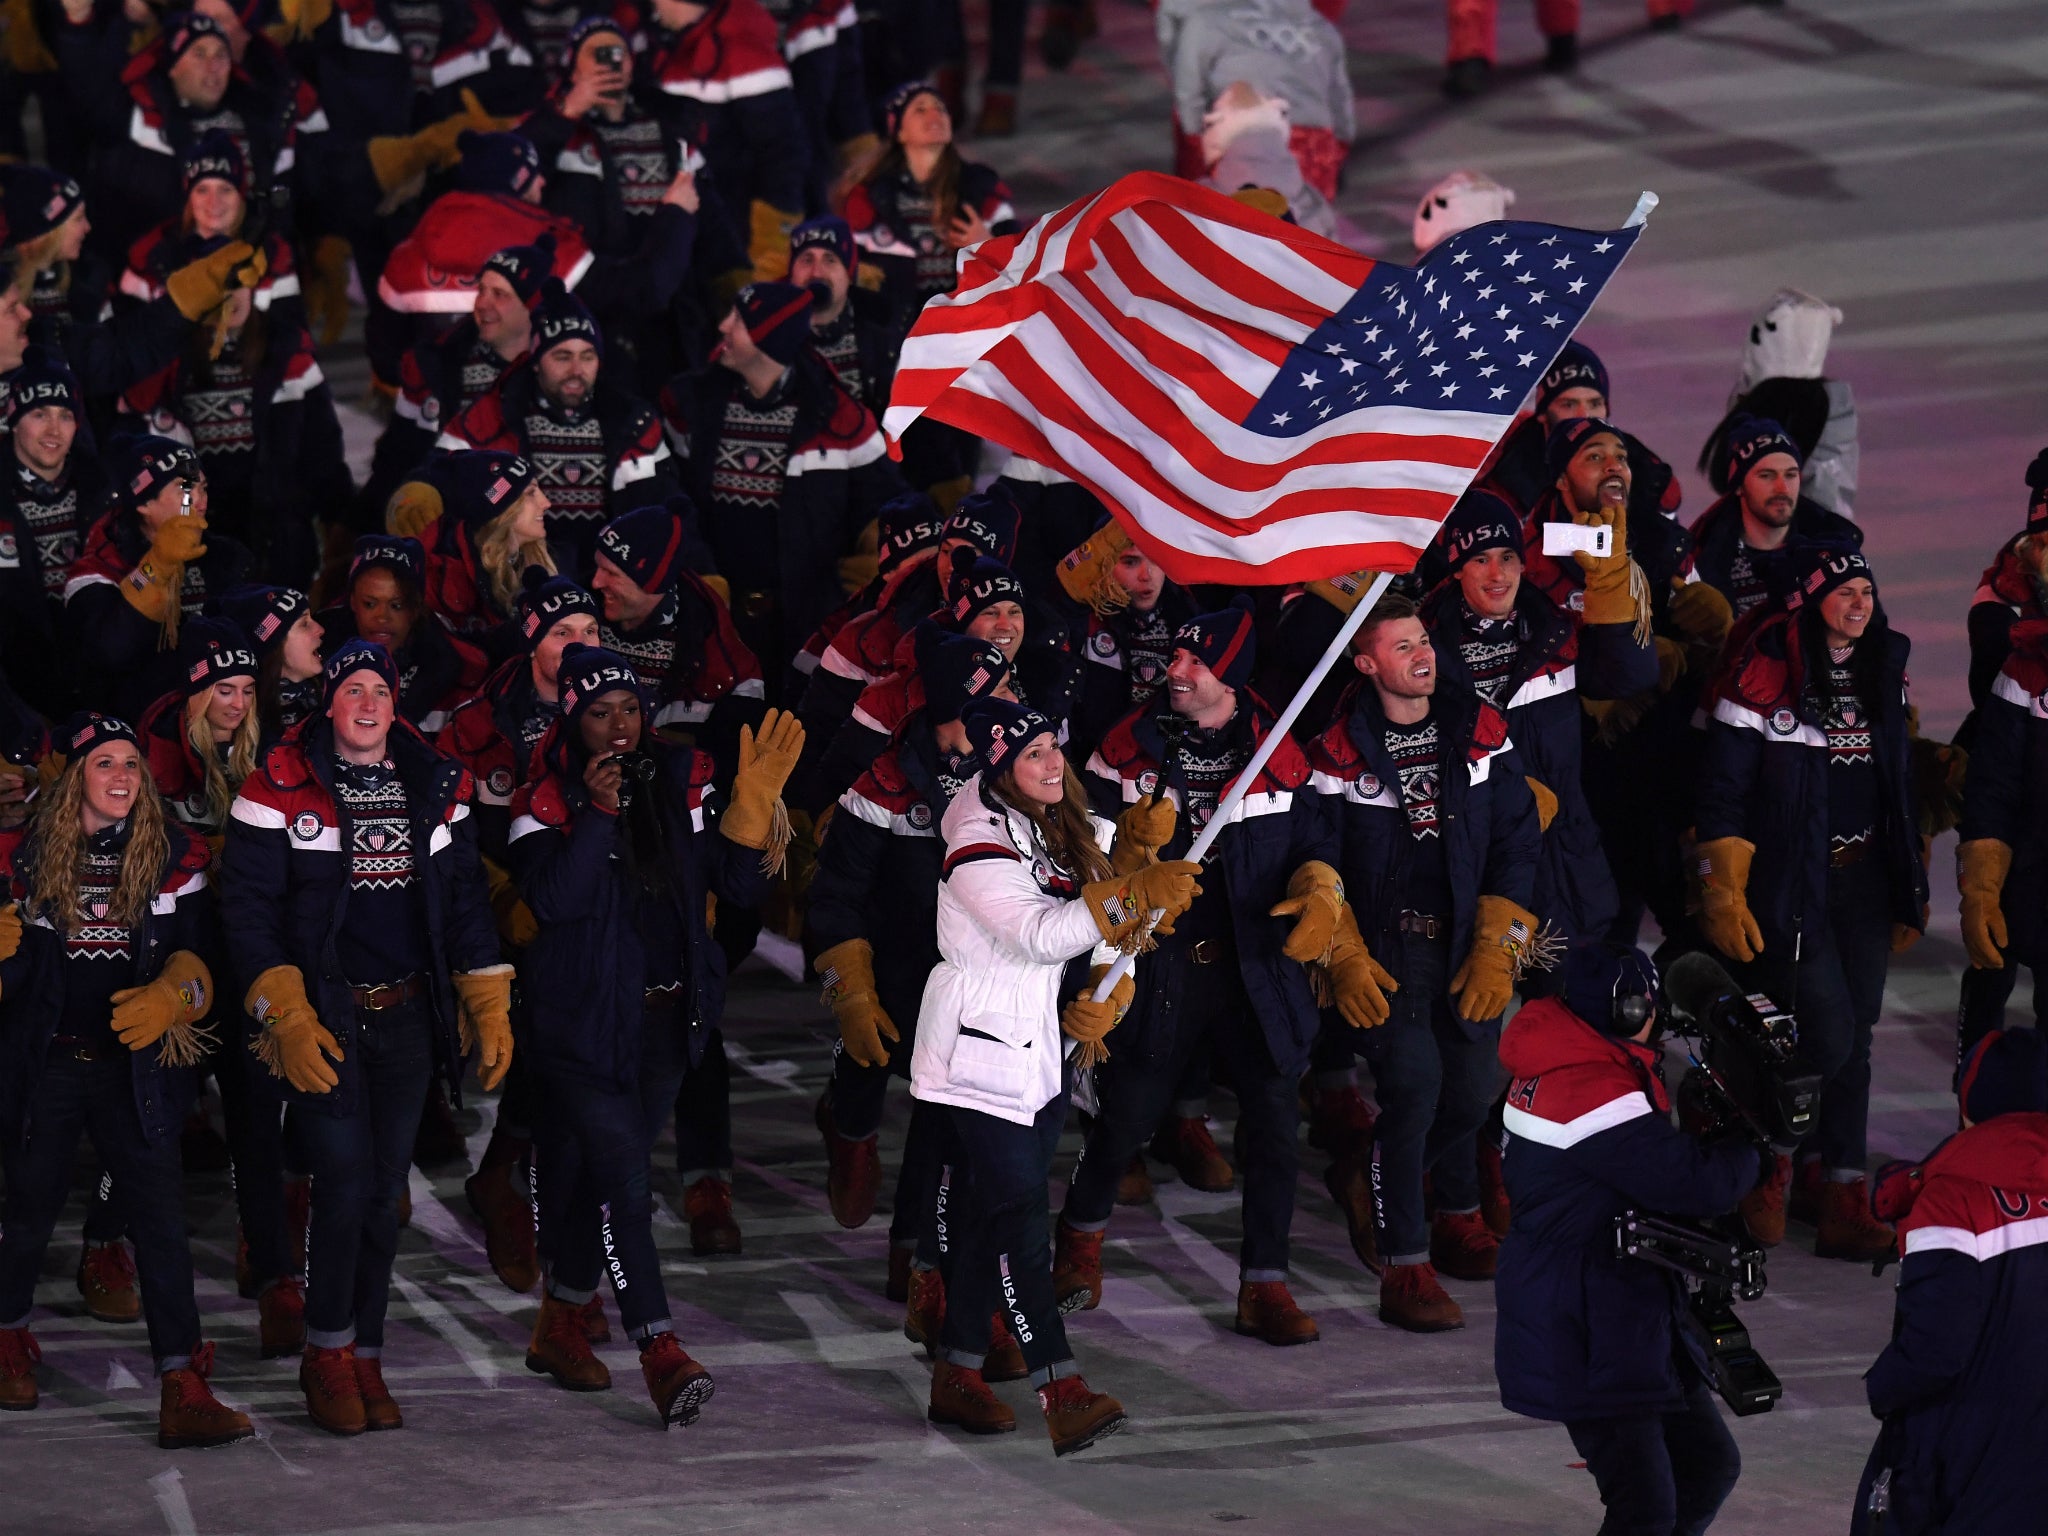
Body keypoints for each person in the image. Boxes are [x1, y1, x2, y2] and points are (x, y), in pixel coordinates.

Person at [220, 638, 512, 1435]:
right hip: (325, 1020)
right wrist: (283, 1009)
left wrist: (486, 996)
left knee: (384, 1197)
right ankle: (327, 1351)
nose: (368, 703)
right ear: (330, 701)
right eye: (352, 688)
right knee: (343, 1185)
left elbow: (463, 902)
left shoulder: (435, 783)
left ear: (395, 704)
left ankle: (367, 1352)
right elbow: (246, 913)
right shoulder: (276, 784)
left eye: (380, 690)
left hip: (409, 1018)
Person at [505, 646, 792, 1424]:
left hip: (668, 1022)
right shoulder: (543, 799)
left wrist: (753, 806)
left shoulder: (682, 778)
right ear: (573, 720)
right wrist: (599, 814)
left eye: (630, 709)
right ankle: (658, 1349)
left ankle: (560, 1321)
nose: (619, 727)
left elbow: (738, 887)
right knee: (627, 1183)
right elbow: (552, 902)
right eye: (600, 713)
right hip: (581, 1030)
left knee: (602, 1182)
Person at [909, 696, 1199, 1453]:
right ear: (997, 767)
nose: (1051, 764)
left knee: (989, 1217)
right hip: (977, 1054)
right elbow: (1041, 934)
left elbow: (1105, 915)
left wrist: (1131, 870)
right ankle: (1060, 1388)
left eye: (1052, 748)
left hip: (1038, 1055)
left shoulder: (1059, 821)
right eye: (1032, 754)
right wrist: (1134, 892)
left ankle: (957, 1372)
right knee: (1020, 1223)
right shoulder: (975, 840)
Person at [1059, 601, 1342, 1344]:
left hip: (1257, 969)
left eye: (1196, 661)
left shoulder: (1279, 744)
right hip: (1161, 966)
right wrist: (1131, 851)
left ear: (1233, 675)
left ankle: (1265, 1285)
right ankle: (1077, 1241)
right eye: (1176, 656)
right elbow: (1083, 856)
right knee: (1125, 1116)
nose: (1174, 670)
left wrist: (1321, 888)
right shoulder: (1124, 748)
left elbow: (1316, 841)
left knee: (1276, 1126)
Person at [0, 711, 253, 1448]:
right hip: (47, 1066)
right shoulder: (21, 857)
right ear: (74, 776)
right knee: (27, 1214)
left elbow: (204, 965)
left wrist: (176, 994)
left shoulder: (174, 853)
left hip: (134, 1070)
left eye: (132, 764)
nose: (121, 777)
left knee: (162, 1226)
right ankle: (7, 1340)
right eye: (105, 763)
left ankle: (183, 1385)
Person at [1306, 591, 1541, 1331]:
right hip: (1387, 954)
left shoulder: (1481, 730)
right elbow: (1315, 858)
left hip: (1467, 943)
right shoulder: (1335, 750)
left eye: (1424, 641)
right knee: (1413, 1092)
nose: (1422, 656)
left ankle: (1368, 1174)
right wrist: (1342, 951)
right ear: (1366, 663)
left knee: (1470, 1096)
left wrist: (1502, 942)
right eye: (1402, 646)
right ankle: (1405, 1267)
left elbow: (1518, 840)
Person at [1694, 542, 1926, 1260]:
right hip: (1797, 885)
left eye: (1866, 590)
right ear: (1808, 600)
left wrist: (1911, 867)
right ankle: (1772, 1159)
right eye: (1843, 591)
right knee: (1824, 1035)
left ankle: (1842, 1194)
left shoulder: (1883, 666)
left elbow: (1896, 780)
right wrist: (1721, 885)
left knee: (1857, 1038)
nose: (1859, 603)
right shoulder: (1762, 672)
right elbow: (1723, 790)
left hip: (1866, 883)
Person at [1494, 941, 1760, 1536]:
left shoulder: (1572, 1054)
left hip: (1625, 1307)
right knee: (1645, 1508)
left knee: (1705, 1468)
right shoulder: (1589, 1088)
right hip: (1586, 1324)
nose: (1657, 1021)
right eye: (1650, 1008)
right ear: (1627, 1011)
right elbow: (1698, 1184)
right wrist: (1748, 1141)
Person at [806, 626, 1014, 1303]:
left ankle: (915, 1258)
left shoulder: (1020, 775)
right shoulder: (887, 781)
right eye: (1000, 691)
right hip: (892, 971)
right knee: (865, 1068)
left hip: (971, 985)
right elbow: (835, 897)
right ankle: (848, 1129)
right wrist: (848, 985)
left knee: (941, 1119)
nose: (1015, 701)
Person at [136, 620, 302, 1354]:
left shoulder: (269, 749)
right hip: (166, 968)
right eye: (221, 690)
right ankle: (106, 1243)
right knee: (153, 1124)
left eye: (244, 689)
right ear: (193, 692)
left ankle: (274, 1281)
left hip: (241, 966)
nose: (236, 703)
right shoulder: (149, 751)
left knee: (259, 1123)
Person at [661, 281, 904, 693]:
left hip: (805, 623)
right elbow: (674, 498)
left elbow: (885, 503)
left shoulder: (839, 417)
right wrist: (700, 571)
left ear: (769, 339)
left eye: (739, 321)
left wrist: (877, 553)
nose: (722, 326)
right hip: (715, 619)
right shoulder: (693, 404)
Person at [1852, 1027, 2048, 1536]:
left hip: (1969, 1463)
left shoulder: (1951, 1201)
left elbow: (1935, 1351)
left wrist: (1883, 1388)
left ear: (1968, 1107)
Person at [437, 278, 674, 578]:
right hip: (517, 582)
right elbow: (441, 476)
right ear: (536, 362)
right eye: (562, 357)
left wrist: (702, 572)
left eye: (587, 356)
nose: (577, 370)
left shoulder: (632, 422)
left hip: (607, 582)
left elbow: (667, 509)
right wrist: (422, 489)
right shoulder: (494, 416)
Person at [63, 435, 253, 717]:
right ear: (143, 503)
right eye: (184, 488)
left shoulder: (226, 556)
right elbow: (112, 651)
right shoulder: (97, 571)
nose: (199, 501)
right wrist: (158, 565)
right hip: (138, 725)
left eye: (202, 487)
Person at [367, 235, 553, 519]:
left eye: (499, 294)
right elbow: (399, 456)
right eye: (481, 290)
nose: (482, 303)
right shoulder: (437, 364)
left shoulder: (565, 373)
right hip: (458, 526)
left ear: (531, 306)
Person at [1954, 612, 2048, 1062]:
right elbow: (1992, 787)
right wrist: (1981, 889)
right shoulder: (2024, 669)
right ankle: (1975, 1088)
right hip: (2033, 884)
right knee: (1991, 974)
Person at [0, 346, 101, 716]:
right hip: (16, 691)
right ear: (14, 420)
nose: (54, 430)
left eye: (65, 416)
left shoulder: (104, 488)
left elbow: (187, 471)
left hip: (97, 678)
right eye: (39, 414)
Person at [1684, 415, 1859, 619]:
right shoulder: (1700, 561)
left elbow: (1871, 630)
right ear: (1739, 487)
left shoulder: (1835, 551)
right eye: (1766, 476)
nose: (1782, 488)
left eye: (1790, 475)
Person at [317, 535, 487, 733]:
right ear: (353, 602)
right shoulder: (316, 646)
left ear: (416, 608)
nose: (382, 617)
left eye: (396, 605)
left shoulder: (444, 664)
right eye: (369, 604)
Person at [207, 583, 325, 746]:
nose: (320, 629)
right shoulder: (246, 731)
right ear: (273, 645)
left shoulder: (331, 691)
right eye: (304, 624)